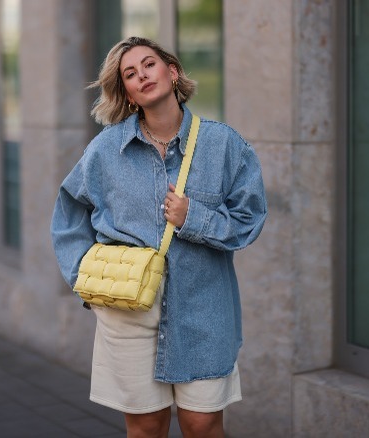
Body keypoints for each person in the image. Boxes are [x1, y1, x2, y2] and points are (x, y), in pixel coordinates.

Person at [51, 36, 267, 438]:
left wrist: (194, 218)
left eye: (148, 65)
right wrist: (86, 279)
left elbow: (250, 218)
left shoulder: (223, 145)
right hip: (129, 311)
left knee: (202, 424)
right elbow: (68, 215)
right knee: (146, 427)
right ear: (127, 93)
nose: (142, 76)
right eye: (130, 74)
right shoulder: (105, 151)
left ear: (172, 71)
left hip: (204, 308)